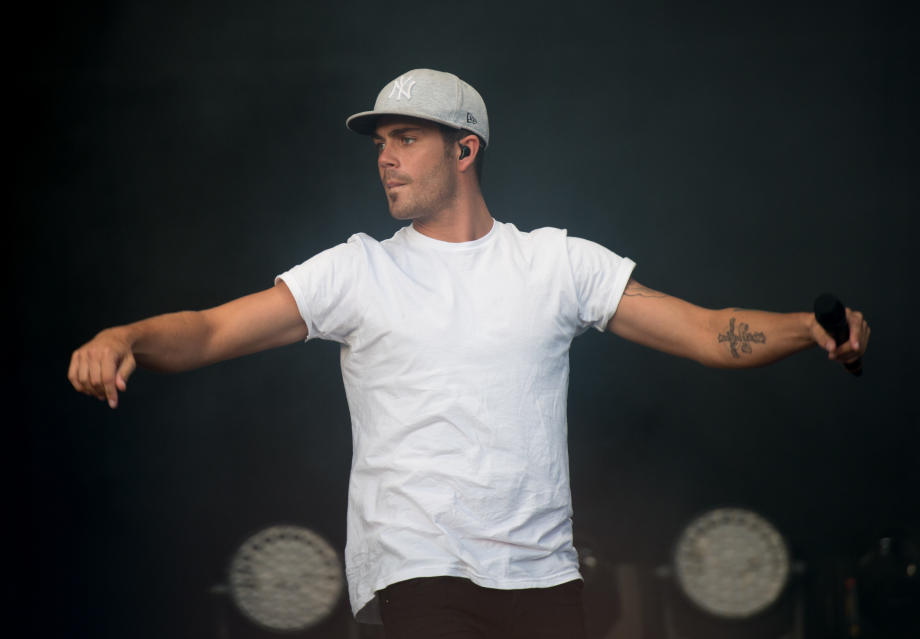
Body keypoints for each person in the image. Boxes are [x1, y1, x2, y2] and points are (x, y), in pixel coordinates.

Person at [67, 68, 870, 638]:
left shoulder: (555, 262)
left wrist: (807, 328)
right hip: (417, 571)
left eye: (406, 138)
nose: (385, 156)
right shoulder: (358, 268)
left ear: (466, 148)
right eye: (381, 140)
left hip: (545, 576)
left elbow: (703, 330)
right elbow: (210, 329)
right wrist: (123, 336)